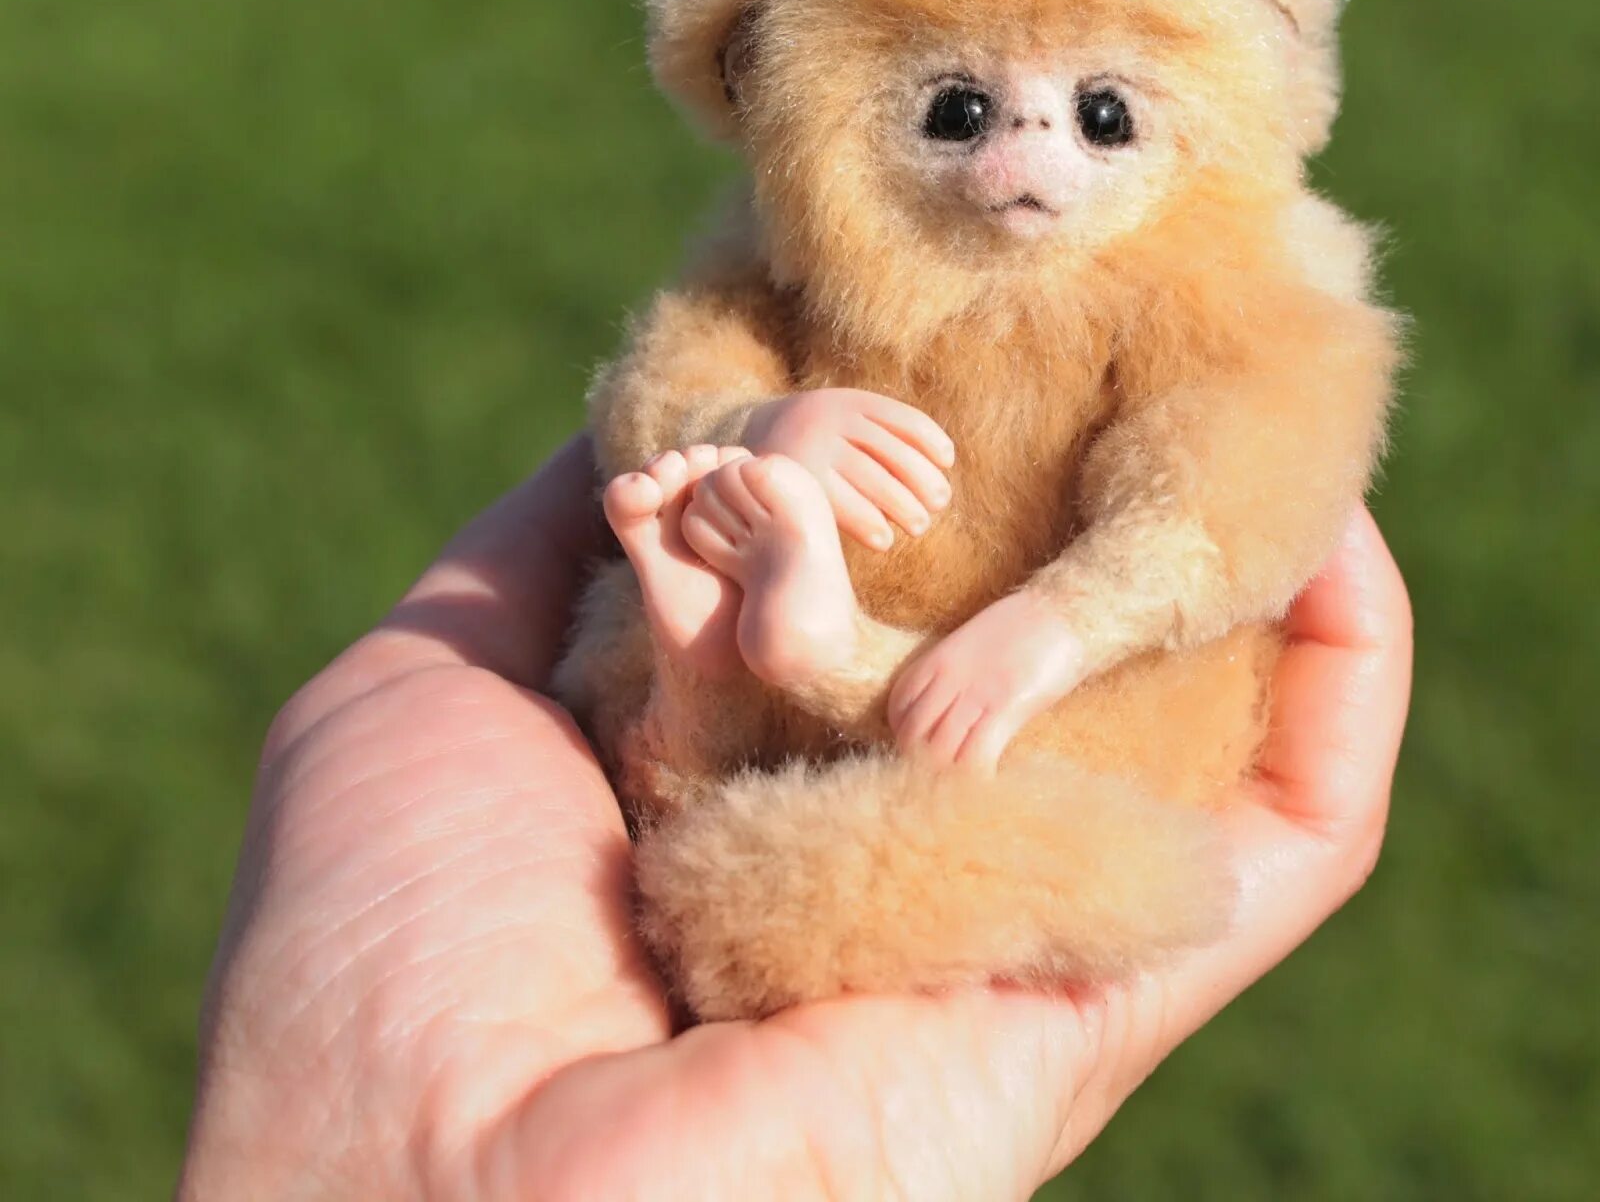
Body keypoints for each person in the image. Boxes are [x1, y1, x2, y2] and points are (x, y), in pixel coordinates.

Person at [177, 434, 1412, 1201]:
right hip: (870, 768)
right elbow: (671, 378)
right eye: (955, 109)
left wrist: (1057, 623)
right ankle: (726, 684)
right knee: (755, 770)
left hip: (1033, 725)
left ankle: (772, 671)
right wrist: (761, 427)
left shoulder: (1235, 291)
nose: (1020, 167)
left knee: (1002, 762)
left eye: (1095, 115)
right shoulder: (793, 259)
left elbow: (1248, 483)